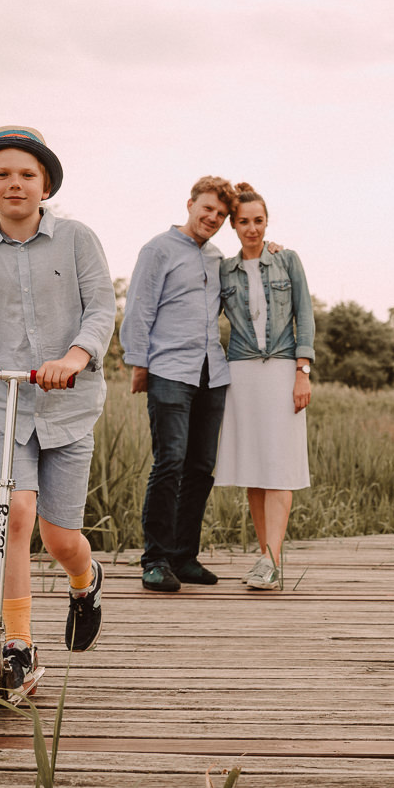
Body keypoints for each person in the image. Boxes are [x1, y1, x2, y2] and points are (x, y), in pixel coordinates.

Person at [0, 126, 116, 700]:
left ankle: (86, 582)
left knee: (60, 535)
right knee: (15, 513)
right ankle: (16, 645)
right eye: (2, 175)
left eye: (26, 174)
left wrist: (74, 355)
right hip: (7, 403)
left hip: (69, 404)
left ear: (45, 185)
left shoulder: (76, 239)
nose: (14, 183)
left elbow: (100, 310)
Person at [121, 177, 239, 593]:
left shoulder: (217, 257)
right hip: (169, 369)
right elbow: (138, 307)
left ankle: (184, 557)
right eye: (207, 209)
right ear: (190, 204)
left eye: (221, 215)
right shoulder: (158, 249)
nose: (213, 218)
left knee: (201, 467)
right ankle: (154, 560)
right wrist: (138, 364)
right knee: (169, 462)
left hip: (213, 372)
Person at [214, 183, 315, 591]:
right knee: (254, 468)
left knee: (280, 466)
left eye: (258, 221)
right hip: (241, 372)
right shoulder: (224, 270)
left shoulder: (287, 260)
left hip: (282, 367)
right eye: (243, 222)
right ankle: (266, 558)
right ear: (233, 225)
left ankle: (273, 557)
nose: (251, 228)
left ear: (267, 221)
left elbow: (304, 315)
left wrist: (302, 370)